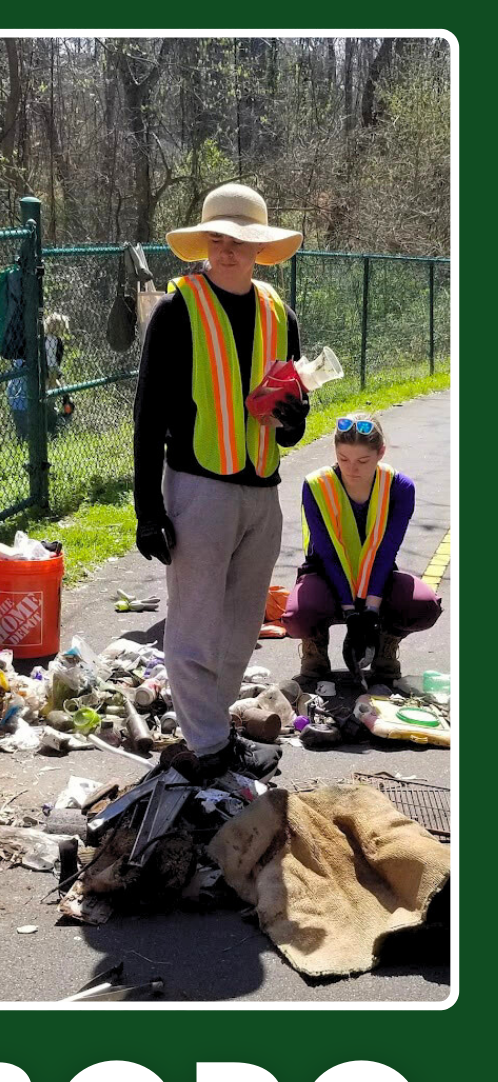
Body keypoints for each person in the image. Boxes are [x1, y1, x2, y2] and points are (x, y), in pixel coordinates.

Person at [132, 183, 308, 780]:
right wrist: (147, 507)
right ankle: (207, 747)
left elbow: (289, 420)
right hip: (198, 487)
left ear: (259, 247)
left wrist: (293, 419)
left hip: (263, 489)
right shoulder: (178, 309)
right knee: (194, 620)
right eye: (216, 239)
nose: (226, 250)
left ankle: (214, 732)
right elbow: (149, 413)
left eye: (239, 241)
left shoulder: (279, 314)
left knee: (240, 622)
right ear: (204, 244)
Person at [283, 412, 441, 685]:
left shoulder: (400, 487)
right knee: (298, 616)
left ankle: (386, 639)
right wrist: (350, 613)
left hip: (377, 575)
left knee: (424, 606)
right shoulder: (316, 486)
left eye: (362, 461)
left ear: (381, 452)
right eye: (343, 459)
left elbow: (386, 552)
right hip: (324, 574)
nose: (351, 469)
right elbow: (329, 555)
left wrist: (369, 611)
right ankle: (315, 645)